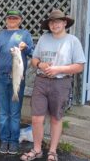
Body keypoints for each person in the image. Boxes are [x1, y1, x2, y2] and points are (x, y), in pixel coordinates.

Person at [20, 9, 85, 161]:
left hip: (61, 83)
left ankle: (52, 151)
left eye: (57, 22)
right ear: (48, 25)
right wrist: (41, 64)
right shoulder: (44, 38)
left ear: (64, 23)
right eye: (51, 22)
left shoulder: (72, 41)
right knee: (36, 118)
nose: (54, 24)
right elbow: (34, 60)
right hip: (41, 82)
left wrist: (58, 69)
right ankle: (37, 150)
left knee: (56, 118)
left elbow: (79, 66)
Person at [0, 10, 33, 154]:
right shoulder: (0, 35)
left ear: (20, 20)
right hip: (1, 78)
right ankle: (4, 140)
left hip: (17, 78)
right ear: (6, 20)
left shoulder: (25, 34)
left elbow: (32, 53)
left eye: (15, 18)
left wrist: (26, 47)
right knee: (3, 112)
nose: (12, 19)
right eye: (9, 17)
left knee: (15, 113)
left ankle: (14, 141)